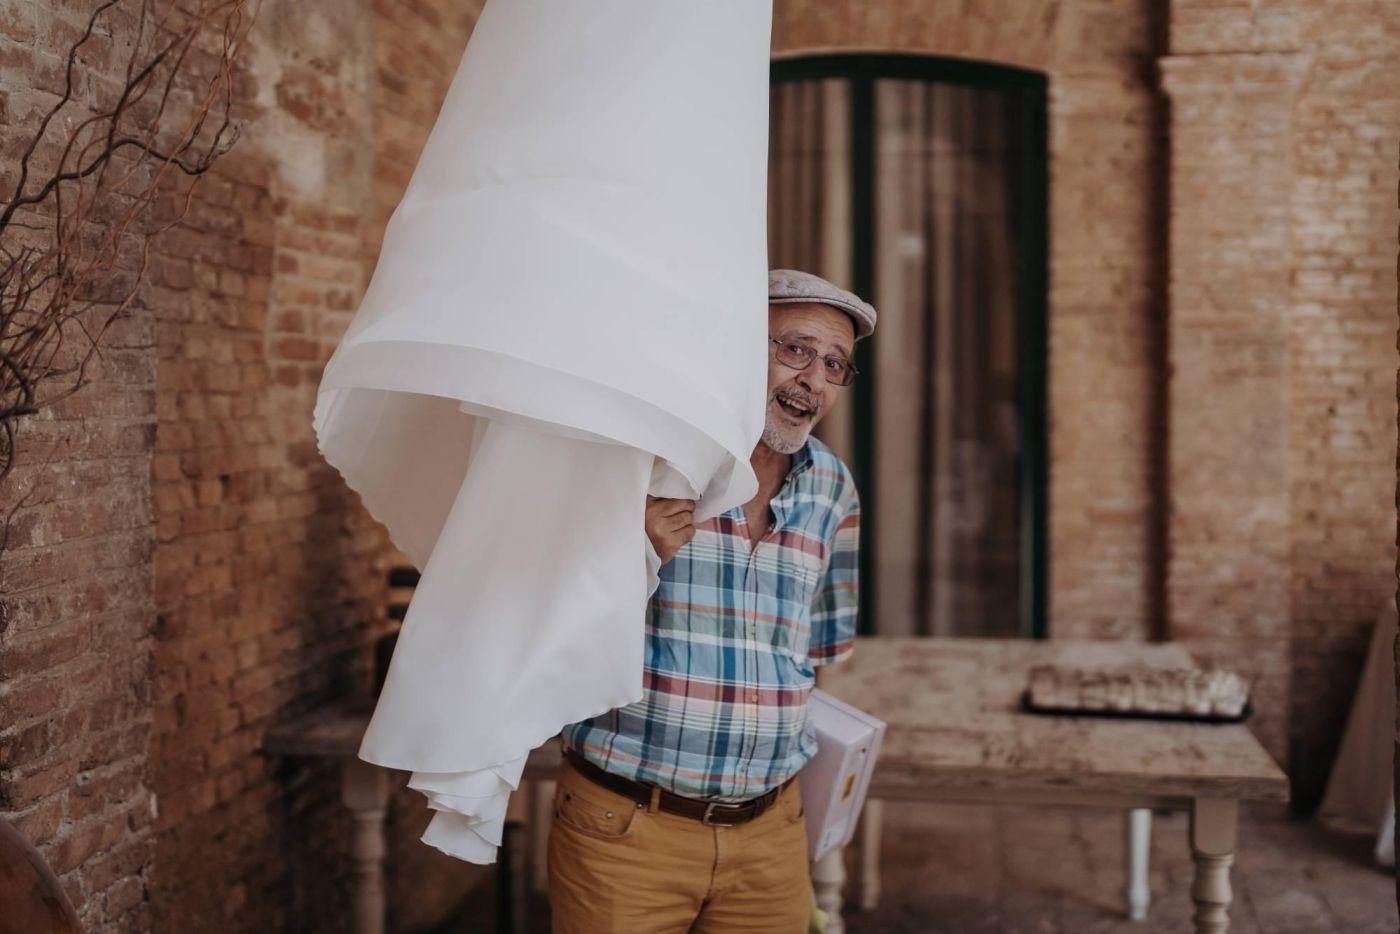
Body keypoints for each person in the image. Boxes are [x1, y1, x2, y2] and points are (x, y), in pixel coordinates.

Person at [548, 269, 876, 933]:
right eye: (795, 349)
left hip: (771, 837)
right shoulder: (645, 464)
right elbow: (539, 617)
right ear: (736, 349)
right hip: (626, 829)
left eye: (834, 364)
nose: (813, 380)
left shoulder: (833, 489)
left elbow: (817, 656)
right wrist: (628, 554)